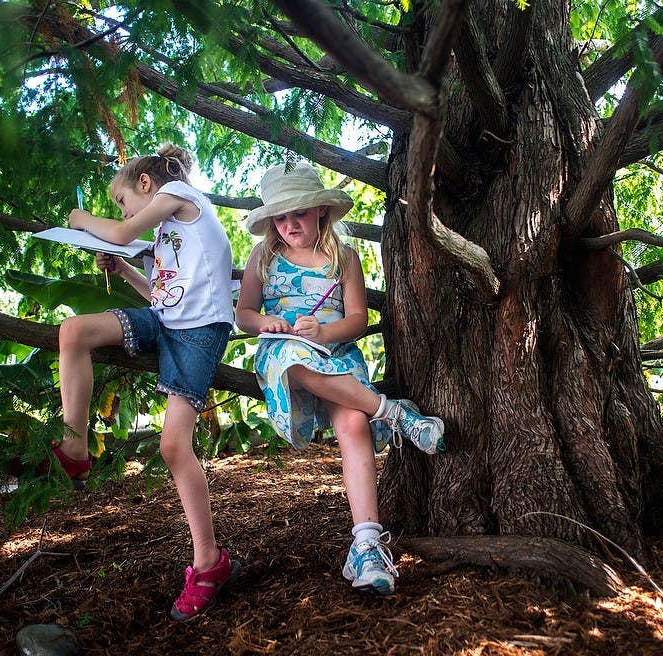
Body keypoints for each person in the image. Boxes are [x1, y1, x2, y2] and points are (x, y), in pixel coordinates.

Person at [235, 162, 445, 596]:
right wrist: (268, 321)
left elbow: (356, 319)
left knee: (351, 424)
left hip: (336, 350)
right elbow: (244, 316)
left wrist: (324, 332)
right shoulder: (264, 258)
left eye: (300, 213)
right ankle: (394, 414)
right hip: (285, 351)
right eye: (281, 216)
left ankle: (366, 544)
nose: (290, 223)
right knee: (296, 361)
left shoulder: (343, 258)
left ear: (321, 212)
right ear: (271, 221)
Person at [58, 143, 239, 621]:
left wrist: (81, 219)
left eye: (121, 199)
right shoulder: (166, 232)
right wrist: (123, 270)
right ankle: (75, 447)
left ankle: (209, 563)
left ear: (144, 184)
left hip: (199, 331)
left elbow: (118, 231)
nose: (123, 210)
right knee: (73, 331)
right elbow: (162, 294)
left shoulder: (178, 193)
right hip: (168, 320)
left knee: (173, 448)